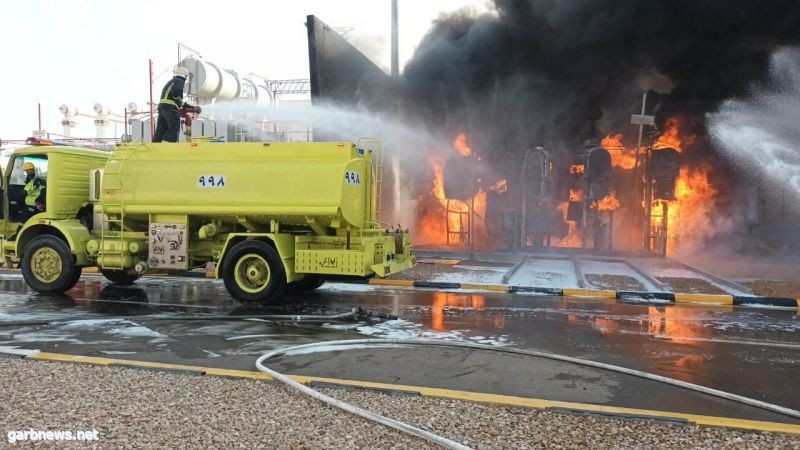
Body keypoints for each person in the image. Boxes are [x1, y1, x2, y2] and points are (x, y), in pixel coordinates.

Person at [153, 66, 198, 143]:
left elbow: (176, 99)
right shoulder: (179, 81)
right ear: (185, 76)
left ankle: (156, 144)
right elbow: (176, 94)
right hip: (170, 107)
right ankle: (168, 144)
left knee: (161, 127)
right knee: (174, 125)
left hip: (162, 106)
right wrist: (179, 100)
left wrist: (188, 106)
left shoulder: (171, 81)